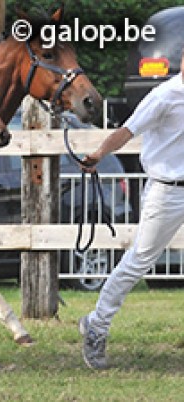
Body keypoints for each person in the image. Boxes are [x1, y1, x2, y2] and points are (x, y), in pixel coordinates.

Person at [79, 47, 184, 370]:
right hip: (167, 191)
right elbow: (128, 130)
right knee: (138, 261)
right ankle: (96, 325)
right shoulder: (165, 96)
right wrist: (98, 153)